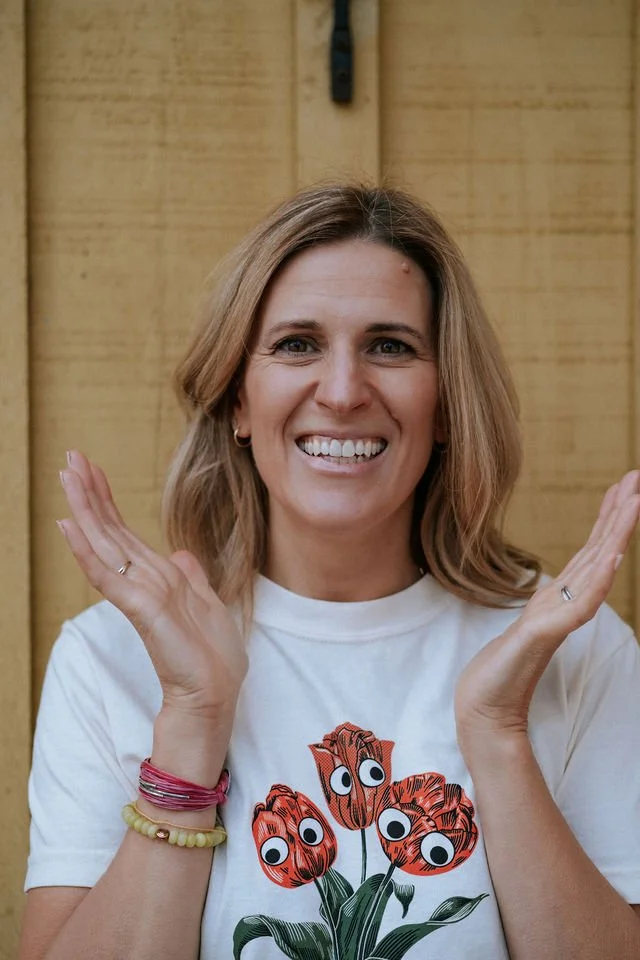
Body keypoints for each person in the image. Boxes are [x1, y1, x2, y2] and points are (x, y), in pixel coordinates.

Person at [18, 183, 640, 960]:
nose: (343, 392)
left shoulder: (574, 651)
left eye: (390, 345)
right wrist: (191, 720)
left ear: (446, 403)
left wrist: (500, 735)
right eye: (296, 345)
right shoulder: (109, 656)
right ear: (237, 401)